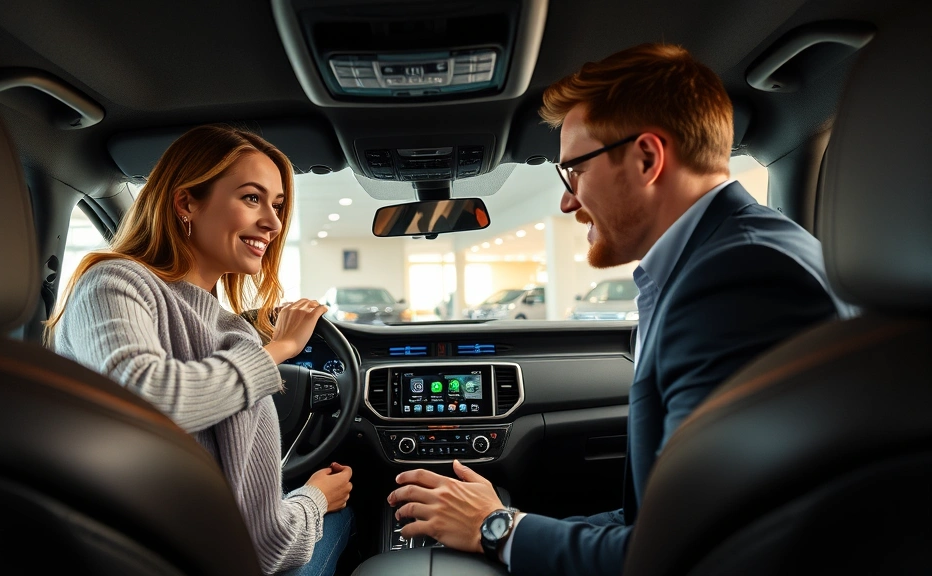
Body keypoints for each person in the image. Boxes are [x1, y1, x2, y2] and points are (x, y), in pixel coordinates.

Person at [387, 43, 852, 575]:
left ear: (648, 158)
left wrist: (498, 529)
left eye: (573, 172)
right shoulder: (722, 260)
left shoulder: (740, 280)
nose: (567, 201)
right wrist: (506, 521)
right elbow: (657, 520)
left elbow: (681, 553)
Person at [48, 124, 354, 576]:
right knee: (346, 515)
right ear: (186, 201)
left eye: (278, 205)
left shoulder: (229, 327)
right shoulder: (113, 281)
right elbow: (146, 399)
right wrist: (313, 499)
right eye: (252, 198)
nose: (272, 222)